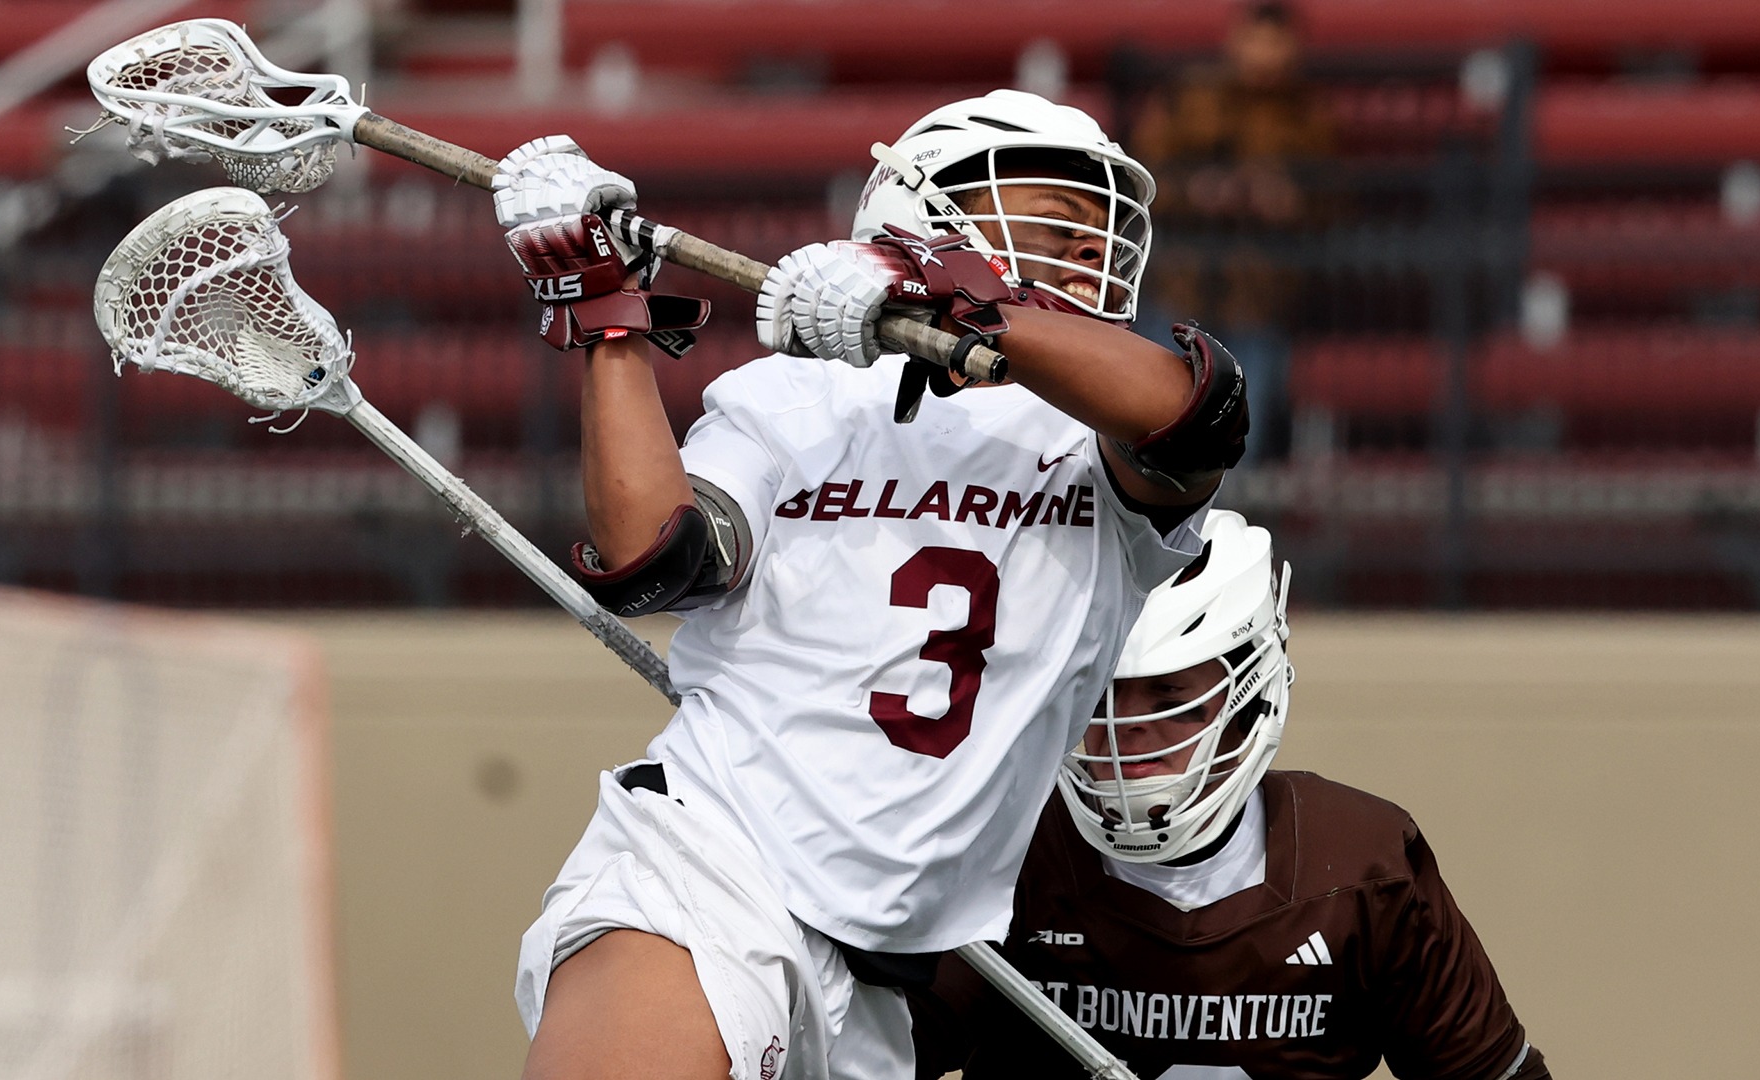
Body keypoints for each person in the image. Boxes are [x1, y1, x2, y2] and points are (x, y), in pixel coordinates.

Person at [489, 89, 1249, 1080]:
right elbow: (659, 555)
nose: (1086, 245)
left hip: (887, 984)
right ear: (925, 210)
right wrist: (606, 316)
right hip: (708, 869)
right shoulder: (800, 395)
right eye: (1052, 215)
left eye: (1100, 227)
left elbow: (1196, 414)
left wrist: (951, 298)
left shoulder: (1097, 439)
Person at [908, 511, 1551, 1080]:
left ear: (1253, 699)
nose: (1126, 740)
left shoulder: (1365, 876)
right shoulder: (1004, 850)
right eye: (1099, 694)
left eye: (1172, 700)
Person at [1130, 0, 1335, 465]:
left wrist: (1287, 201)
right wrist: (1198, 191)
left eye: (1275, 42)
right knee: (1151, 419)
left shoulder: (1308, 115)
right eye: (1255, 39)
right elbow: (1146, 180)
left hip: (1259, 296)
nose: (1264, 53)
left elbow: (1332, 198)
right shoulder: (1192, 97)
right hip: (1181, 286)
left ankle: (1225, 529)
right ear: (1235, 39)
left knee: (1239, 436)